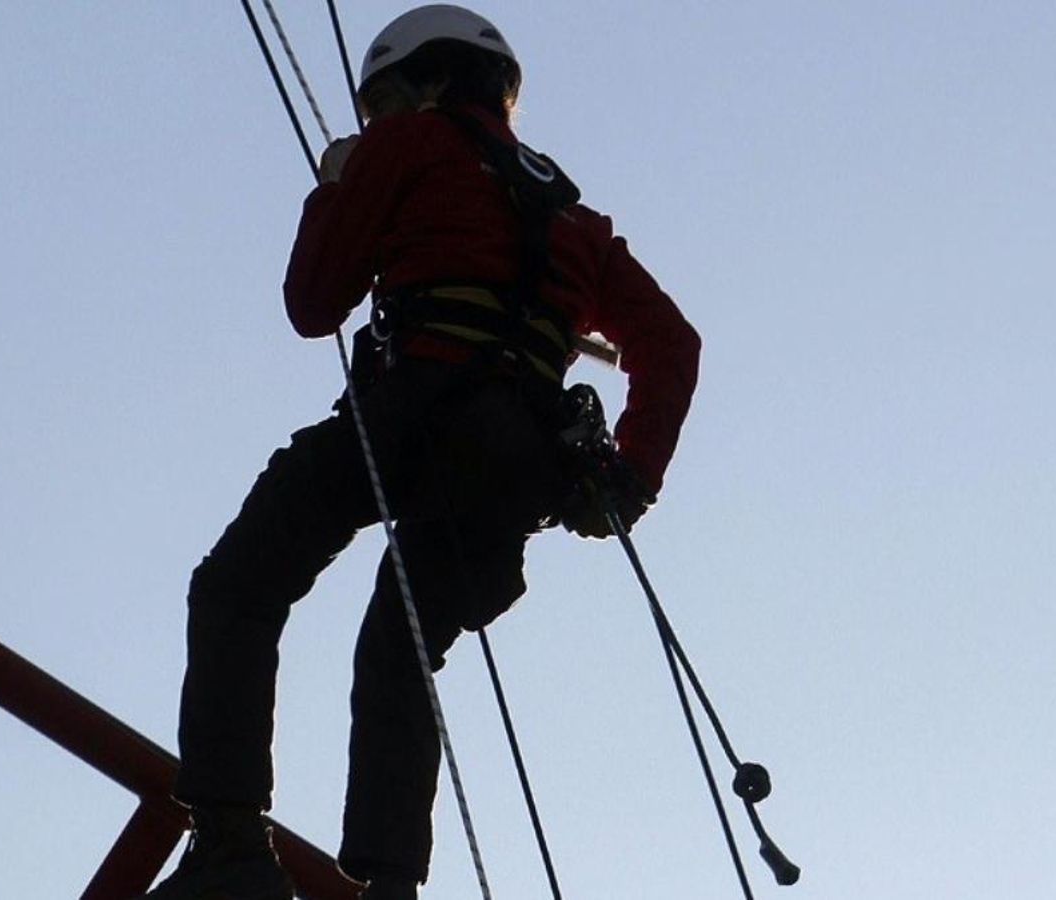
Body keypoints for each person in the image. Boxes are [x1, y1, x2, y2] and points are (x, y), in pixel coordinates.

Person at [143, 4, 699, 899]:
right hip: (519, 459)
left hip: (412, 409)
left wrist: (340, 184)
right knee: (402, 651)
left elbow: (315, 303)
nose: (379, 125)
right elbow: (673, 344)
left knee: (240, 584)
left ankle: (231, 846)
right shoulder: (578, 224)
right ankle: (389, 888)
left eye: (384, 105)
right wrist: (631, 475)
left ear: (427, 82)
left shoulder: (411, 148)